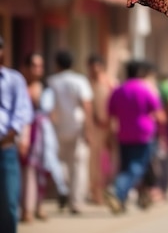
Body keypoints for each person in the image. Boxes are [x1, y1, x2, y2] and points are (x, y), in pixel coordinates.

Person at [105, 60, 164, 214]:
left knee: (126, 167)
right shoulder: (145, 89)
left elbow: (110, 115)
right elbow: (159, 115)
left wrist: (109, 136)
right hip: (143, 135)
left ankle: (122, 201)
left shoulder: (118, 90)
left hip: (123, 134)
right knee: (136, 167)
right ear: (140, 72)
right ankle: (116, 191)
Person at [21, 53, 69, 221]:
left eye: (40, 66)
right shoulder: (19, 87)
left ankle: (38, 205)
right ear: (25, 68)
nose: (38, 70)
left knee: (41, 170)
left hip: (41, 135)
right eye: (34, 66)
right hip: (22, 134)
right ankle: (26, 208)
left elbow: (52, 113)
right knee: (25, 172)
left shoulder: (46, 89)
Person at [0, 35, 34, 233]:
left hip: (5, 150)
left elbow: (22, 111)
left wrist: (11, 134)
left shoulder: (13, 80)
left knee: (9, 204)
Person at [47, 49, 93, 215]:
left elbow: (49, 107)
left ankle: (63, 189)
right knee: (78, 165)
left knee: (61, 162)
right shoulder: (79, 80)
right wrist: (88, 129)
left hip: (58, 128)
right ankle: (76, 201)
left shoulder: (52, 81)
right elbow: (86, 105)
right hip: (77, 127)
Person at [86, 54, 114, 205]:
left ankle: (105, 193)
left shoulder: (109, 83)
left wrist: (111, 128)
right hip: (93, 129)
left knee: (106, 162)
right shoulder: (87, 84)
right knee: (93, 164)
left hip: (107, 128)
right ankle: (95, 194)